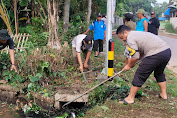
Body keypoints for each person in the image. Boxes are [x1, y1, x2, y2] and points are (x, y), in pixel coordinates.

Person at [116, 25, 171, 104]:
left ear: (125, 32)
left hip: (155, 53)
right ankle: (163, 95)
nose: (123, 40)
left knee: (140, 74)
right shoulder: (137, 34)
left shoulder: (130, 38)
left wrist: (129, 65)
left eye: (122, 37)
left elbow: (135, 57)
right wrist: (133, 62)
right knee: (159, 73)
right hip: (166, 51)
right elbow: (140, 53)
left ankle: (130, 98)